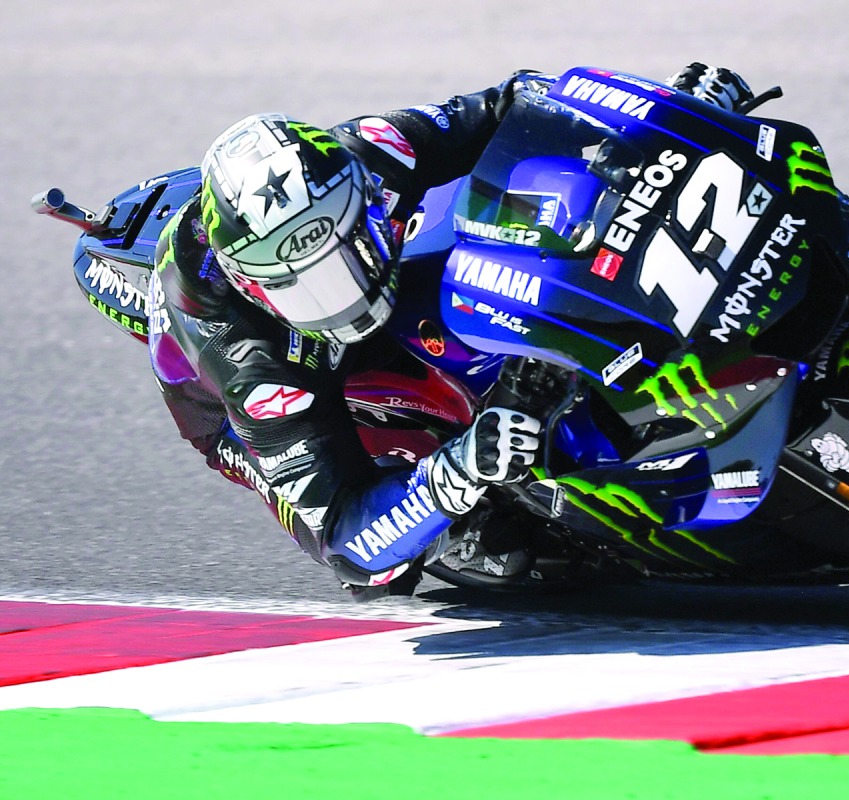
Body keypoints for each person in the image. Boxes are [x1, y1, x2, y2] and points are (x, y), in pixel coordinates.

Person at [148, 63, 754, 600]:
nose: (342, 294)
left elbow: (518, 103)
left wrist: (660, 120)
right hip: (233, 395)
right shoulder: (251, 365)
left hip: (376, 262)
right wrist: (458, 471)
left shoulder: (366, 152)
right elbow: (345, 544)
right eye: (306, 283)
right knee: (473, 545)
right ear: (254, 285)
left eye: (349, 253)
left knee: (501, 236)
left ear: (360, 197)